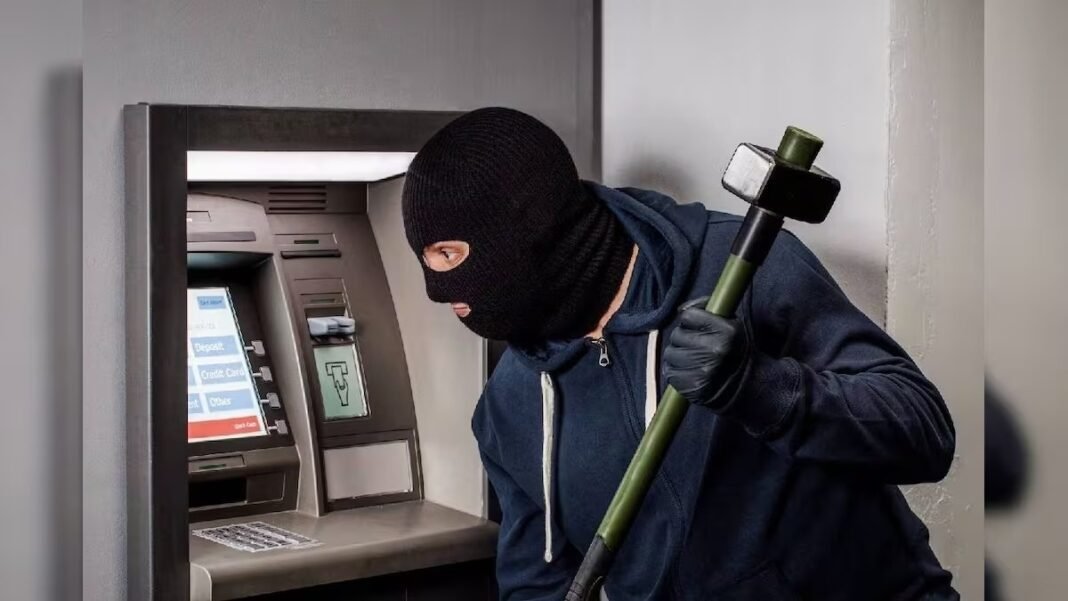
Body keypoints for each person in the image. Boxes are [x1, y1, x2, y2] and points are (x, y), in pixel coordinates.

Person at [401, 107, 958, 600]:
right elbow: (537, 584)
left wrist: (758, 388)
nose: (437, 289)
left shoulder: (739, 272)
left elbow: (924, 432)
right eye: (423, 260)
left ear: (529, 226)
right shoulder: (509, 406)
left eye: (448, 255)